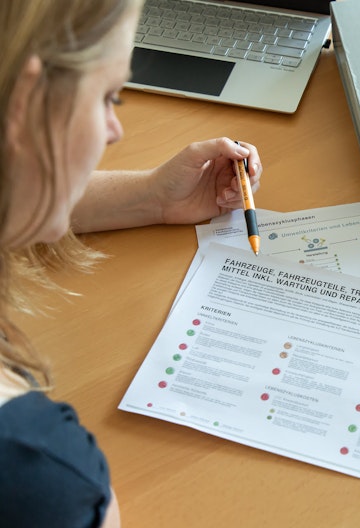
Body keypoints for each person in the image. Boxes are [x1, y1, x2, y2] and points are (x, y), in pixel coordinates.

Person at [0, 1, 261, 526]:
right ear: (27, 104)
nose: (114, 129)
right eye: (108, 97)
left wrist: (153, 198)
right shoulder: (40, 478)